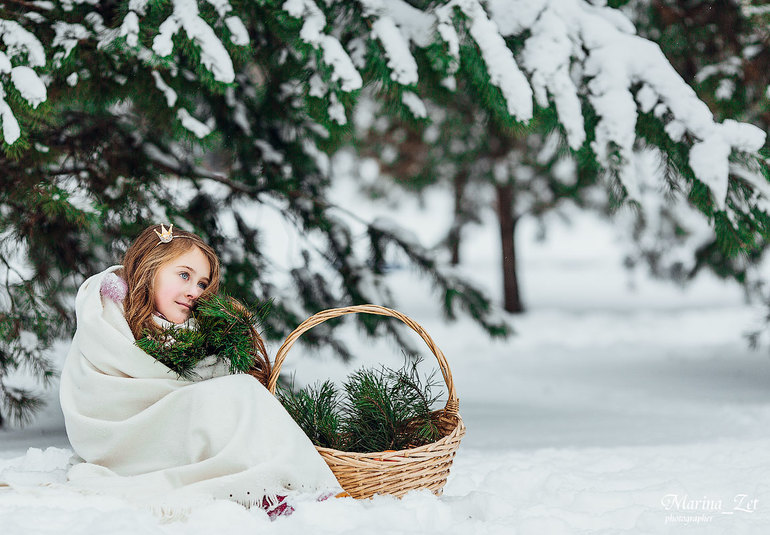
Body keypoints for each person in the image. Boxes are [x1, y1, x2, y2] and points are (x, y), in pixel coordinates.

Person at [59, 224, 343, 517]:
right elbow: (101, 389)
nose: (194, 291)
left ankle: (279, 479)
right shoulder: (106, 318)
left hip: (170, 428)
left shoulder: (191, 332)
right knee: (241, 392)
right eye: (184, 275)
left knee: (242, 393)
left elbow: (192, 384)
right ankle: (276, 485)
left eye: (202, 284)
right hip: (124, 436)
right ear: (150, 268)